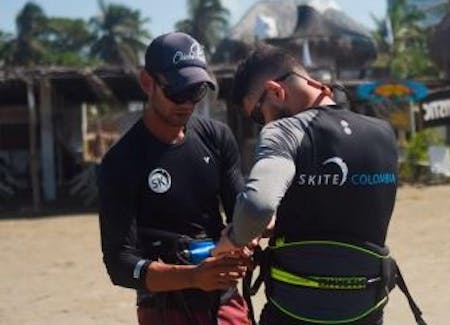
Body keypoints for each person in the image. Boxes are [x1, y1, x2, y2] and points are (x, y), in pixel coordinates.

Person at [212, 45, 426, 325]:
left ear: (276, 91)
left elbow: (257, 205)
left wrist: (231, 240)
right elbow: (347, 213)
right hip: (364, 311)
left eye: (257, 114)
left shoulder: (284, 131)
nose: (261, 122)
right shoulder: (383, 133)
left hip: (296, 311)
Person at [98, 32, 252, 325]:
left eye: (196, 91)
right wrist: (193, 276)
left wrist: (245, 244)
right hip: (164, 307)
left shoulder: (217, 138)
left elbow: (242, 216)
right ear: (147, 83)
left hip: (224, 301)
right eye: (177, 91)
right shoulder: (121, 161)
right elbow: (119, 264)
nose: (187, 102)